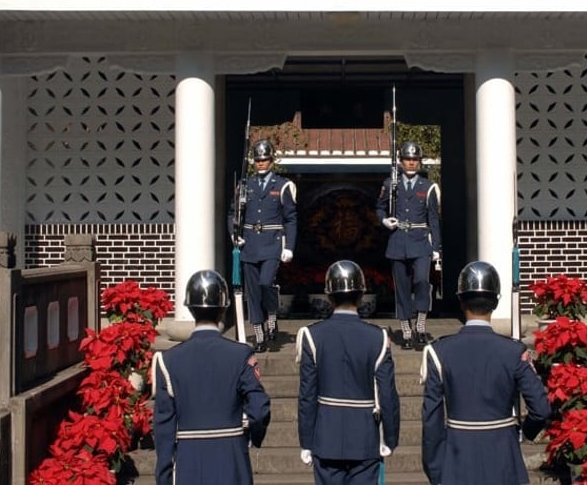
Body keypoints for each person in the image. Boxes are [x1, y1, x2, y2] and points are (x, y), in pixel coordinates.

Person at [420, 261, 551, 485]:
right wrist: (523, 433)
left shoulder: (439, 351)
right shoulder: (513, 350)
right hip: (504, 457)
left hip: (457, 460)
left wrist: (436, 468)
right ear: (495, 302)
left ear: (461, 301)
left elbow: (431, 420)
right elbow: (541, 409)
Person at [151, 269, 271, 485]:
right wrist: (252, 435)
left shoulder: (167, 360)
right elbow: (259, 408)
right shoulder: (241, 354)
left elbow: (164, 429)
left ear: (189, 308)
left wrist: (164, 477)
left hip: (188, 461)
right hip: (231, 457)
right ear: (224, 308)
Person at [296, 260, 401, 485]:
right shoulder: (378, 337)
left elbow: (307, 396)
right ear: (361, 295)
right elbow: (388, 395)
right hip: (364, 438)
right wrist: (390, 438)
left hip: (326, 438)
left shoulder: (312, 335)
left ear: (329, 296)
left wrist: (306, 440)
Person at [229, 138, 297, 352]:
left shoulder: (282, 185)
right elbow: (233, 214)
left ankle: (272, 315)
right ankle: (259, 332)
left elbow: (291, 218)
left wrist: (289, 247)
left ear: (271, 160)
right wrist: (234, 234)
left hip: (271, 242)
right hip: (249, 242)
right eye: (258, 159)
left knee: (266, 282)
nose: (261, 163)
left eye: (265, 159)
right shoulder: (244, 185)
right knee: (252, 290)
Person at [375, 140, 441, 349]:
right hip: (398, 240)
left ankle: (420, 325)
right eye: (407, 159)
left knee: (422, 281)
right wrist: (385, 220)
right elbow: (380, 208)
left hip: (421, 240)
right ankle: (405, 329)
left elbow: (433, 219)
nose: (411, 163)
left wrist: (437, 249)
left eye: (415, 160)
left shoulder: (428, 187)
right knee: (401, 288)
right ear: (401, 161)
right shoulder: (390, 184)